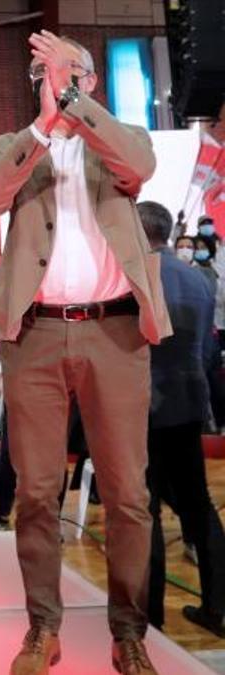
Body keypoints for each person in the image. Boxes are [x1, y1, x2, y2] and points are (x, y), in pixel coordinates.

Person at [0, 29, 169, 675]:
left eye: (68, 70)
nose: (55, 79)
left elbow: (140, 167)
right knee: (35, 491)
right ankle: (42, 629)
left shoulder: (116, 141)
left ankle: (129, 631)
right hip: (36, 336)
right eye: (46, 72)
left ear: (89, 80)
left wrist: (78, 107)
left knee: (129, 494)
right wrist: (44, 123)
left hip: (116, 334)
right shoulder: (15, 146)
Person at [137, 201, 225, 637]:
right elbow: (209, 351)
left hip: (144, 405)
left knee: (145, 508)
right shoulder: (198, 277)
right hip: (190, 401)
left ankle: (149, 615)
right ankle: (218, 608)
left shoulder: (133, 276)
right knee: (199, 504)